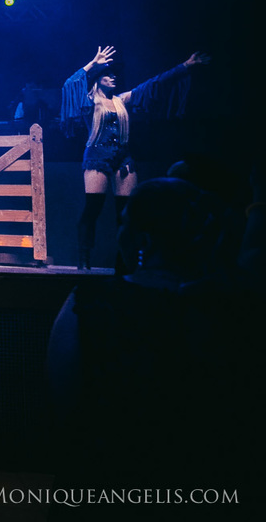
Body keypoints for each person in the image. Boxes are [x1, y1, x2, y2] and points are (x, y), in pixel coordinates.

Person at [45, 178, 262, 519]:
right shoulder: (234, 305)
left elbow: (63, 402)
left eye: (124, 222)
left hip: (101, 483)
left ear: (142, 238)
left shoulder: (90, 302)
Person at [61, 45, 210, 270]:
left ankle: (125, 263)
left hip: (124, 159)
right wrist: (93, 64)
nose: (112, 78)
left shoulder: (122, 100)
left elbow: (155, 83)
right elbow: (70, 84)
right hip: (97, 157)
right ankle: (84, 262)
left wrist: (185, 66)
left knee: (127, 212)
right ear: (97, 80)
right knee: (93, 209)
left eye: (114, 75)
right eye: (107, 75)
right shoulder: (89, 103)